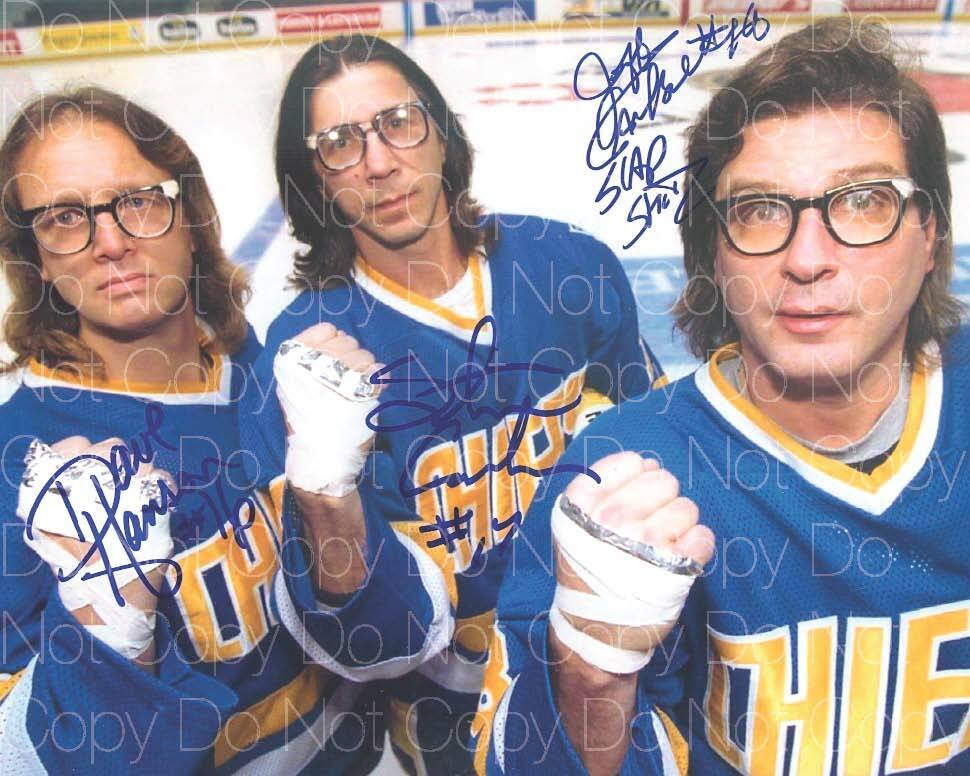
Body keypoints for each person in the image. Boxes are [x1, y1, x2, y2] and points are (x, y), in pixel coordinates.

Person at [480, 18, 970, 775]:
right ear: (712, 250)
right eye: (760, 211)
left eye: (864, 201)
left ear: (930, 231)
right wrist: (588, 672)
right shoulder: (624, 470)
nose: (808, 259)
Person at [240, 34, 664, 774]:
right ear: (314, 178)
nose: (378, 163)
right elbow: (361, 635)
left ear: (441, 131)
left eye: (398, 123)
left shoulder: (569, 264)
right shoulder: (307, 352)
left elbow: (662, 449)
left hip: (617, 672)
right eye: (339, 143)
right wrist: (327, 491)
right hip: (444, 716)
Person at [0, 87, 379, 774]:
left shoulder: (249, 360)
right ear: (37, 259)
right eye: (64, 218)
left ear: (190, 216)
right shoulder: (19, 461)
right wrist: (109, 639)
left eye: (138, 200)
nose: (110, 243)